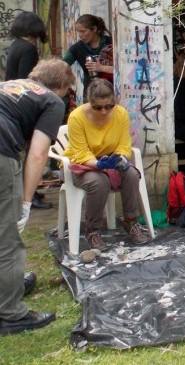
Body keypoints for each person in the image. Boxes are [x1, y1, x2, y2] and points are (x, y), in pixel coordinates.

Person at [1, 59, 74, 335]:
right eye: (68, 92)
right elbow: (38, 153)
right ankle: (10, 314)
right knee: (7, 238)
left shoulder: (9, 86)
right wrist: (26, 202)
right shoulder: (52, 101)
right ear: (61, 87)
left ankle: (12, 284)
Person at [65, 79, 152, 249]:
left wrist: (119, 158)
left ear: (114, 102)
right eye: (98, 107)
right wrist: (98, 164)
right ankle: (92, 231)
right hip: (83, 164)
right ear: (89, 103)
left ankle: (130, 222)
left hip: (111, 159)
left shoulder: (121, 114)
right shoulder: (76, 117)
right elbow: (81, 152)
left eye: (109, 106)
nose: (104, 111)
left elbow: (124, 145)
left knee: (132, 175)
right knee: (99, 181)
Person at [5, 11, 52, 210]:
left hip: (11, 101)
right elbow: (27, 79)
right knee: (32, 150)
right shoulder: (28, 49)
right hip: (25, 104)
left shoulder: (14, 46)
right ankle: (29, 195)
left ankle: (27, 193)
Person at [62, 14, 113, 90]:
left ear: (94, 29)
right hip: (90, 94)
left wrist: (102, 68)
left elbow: (124, 68)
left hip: (112, 91)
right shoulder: (77, 48)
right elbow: (61, 65)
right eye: (78, 32)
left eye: (83, 31)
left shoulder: (111, 43)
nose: (80, 35)